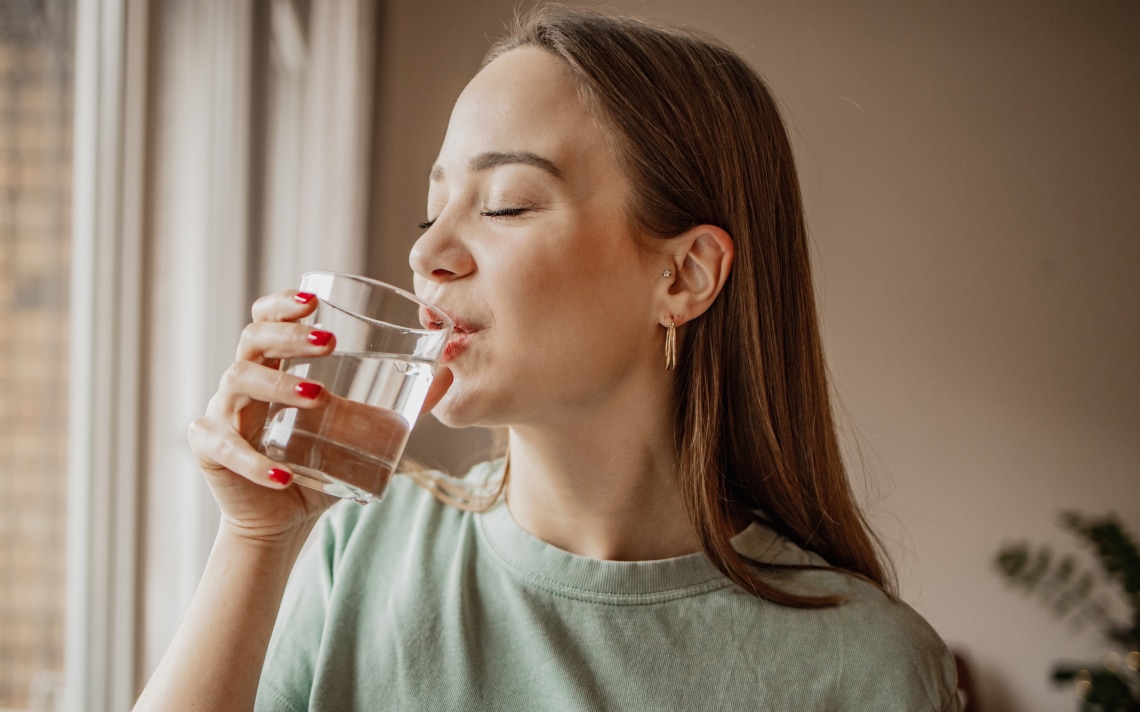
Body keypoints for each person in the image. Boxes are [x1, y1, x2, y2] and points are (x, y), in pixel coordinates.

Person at [136, 7, 961, 711]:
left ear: (684, 275)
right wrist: (252, 538)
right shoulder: (352, 554)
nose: (430, 254)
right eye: (433, 211)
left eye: (506, 205)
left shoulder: (867, 669)